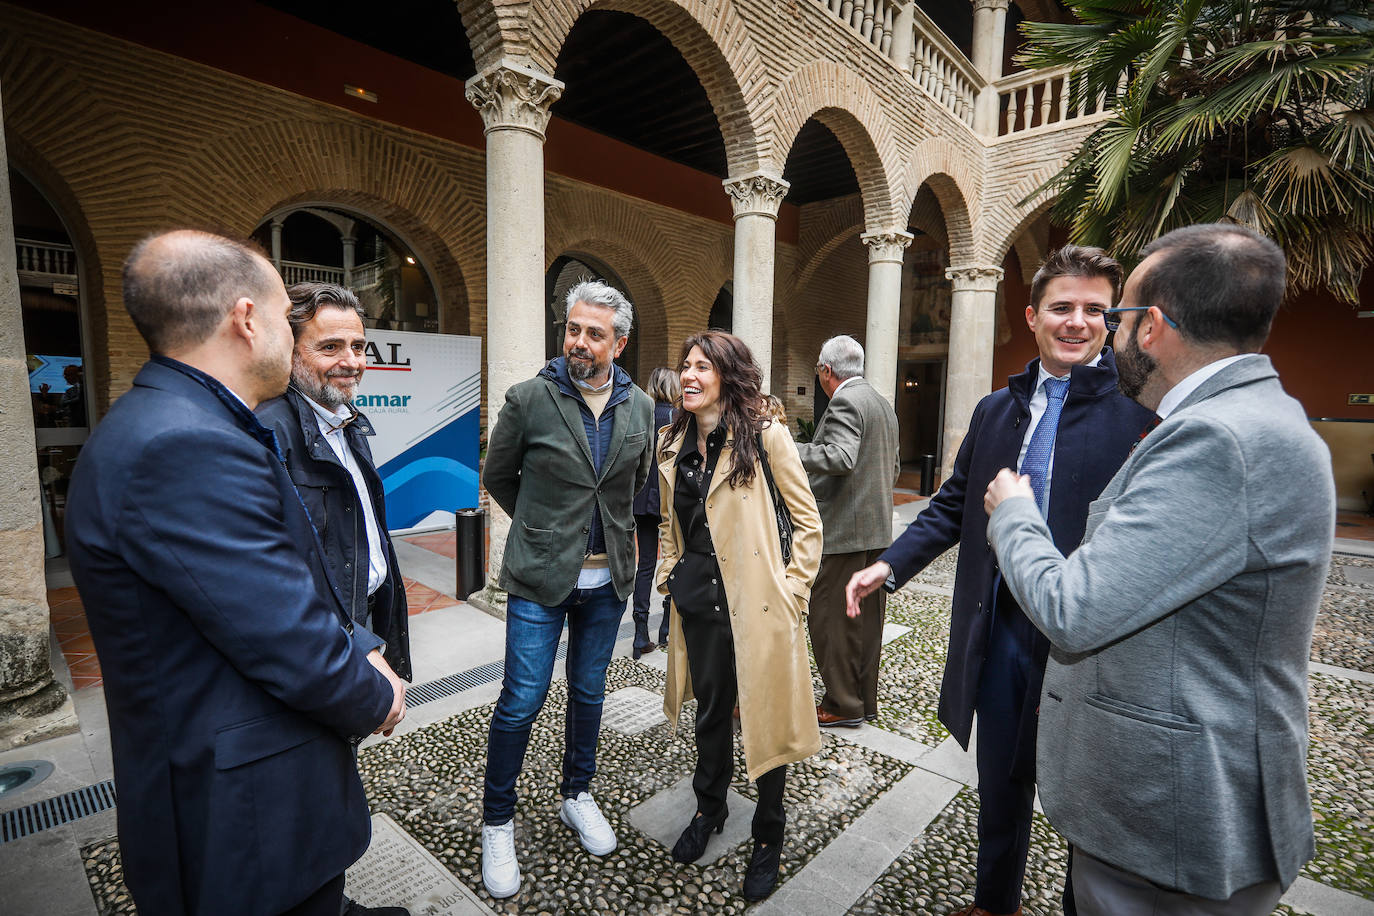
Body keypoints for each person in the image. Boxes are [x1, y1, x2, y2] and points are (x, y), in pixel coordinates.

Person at [983, 224, 1335, 915]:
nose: (1100, 334)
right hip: (1177, 810)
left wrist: (1013, 513)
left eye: (1112, 317)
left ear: (1150, 328)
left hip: (1173, 814)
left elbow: (1074, 610)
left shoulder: (1216, 438)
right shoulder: (1259, 418)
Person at [65, 230, 405, 916]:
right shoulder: (184, 443)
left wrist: (366, 645)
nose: (289, 331)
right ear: (248, 321)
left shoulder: (182, 420)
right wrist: (375, 694)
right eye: (287, 317)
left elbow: (274, 577)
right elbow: (280, 631)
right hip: (240, 813)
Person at [847, 245, 1153, 916]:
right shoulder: (994, 411)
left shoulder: (1140, 419)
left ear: (1113, 320)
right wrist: (889, 564)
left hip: (1088, 640)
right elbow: (956, 503)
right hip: (1001, 626)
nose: (1077, 322)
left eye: (1094, 310)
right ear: (1032, 316)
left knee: (1086, 799)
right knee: (1001, 780)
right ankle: (996, 903)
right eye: (1061, 307)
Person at [478, 280, 654, 899]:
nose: (578, 342)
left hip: (608, 584)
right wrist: (541, 533)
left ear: (620, 343)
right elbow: (500, 476)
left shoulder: (639, 410)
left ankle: (577, 794)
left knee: (588, 696)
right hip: (538, 579)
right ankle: (496, 820)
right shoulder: (530, 398)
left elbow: (632, 486)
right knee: (522, 699)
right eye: (572, 329)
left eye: (594, 334)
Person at [256, 282, 413, 916]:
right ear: (291, 349)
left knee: (330, 776)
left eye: (359, 344)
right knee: (305, 786)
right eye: (330, 346)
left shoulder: (347, 420)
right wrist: (360, 645)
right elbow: (286, 574)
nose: (351, 359)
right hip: (329, 640)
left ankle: (327, 899)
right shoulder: (270, 431)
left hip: (358, 623)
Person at [657, 330, 823, 902]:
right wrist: (669, 574)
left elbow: (808, 523)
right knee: (709, 713)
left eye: (702, 367)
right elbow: (668, 523)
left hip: (755, 604)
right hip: (698, 604)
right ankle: (710, 809)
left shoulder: (764, 435)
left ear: (727, 376)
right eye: (685, 366)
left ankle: (768, 834)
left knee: (765, 718)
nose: (689, 376)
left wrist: (792, 594)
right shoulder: (672, 443)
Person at [795, 335, 900, 728]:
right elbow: (890, 468)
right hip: (876, 533)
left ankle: (842, 704)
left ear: (826, 371)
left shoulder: (844, 400)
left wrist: (787, 448)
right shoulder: (881, 404)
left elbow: (840, 456)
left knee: (830, 623)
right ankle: (862, 701)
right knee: (866, 626)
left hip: (842, 533)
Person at [631, 366, 679, 658]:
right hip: (667, 501)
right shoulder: (676, 418)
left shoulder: (641, 415)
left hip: (639, 499)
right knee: (672, 559)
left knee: (645, 564)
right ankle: (665, 627)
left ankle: (639, 634)